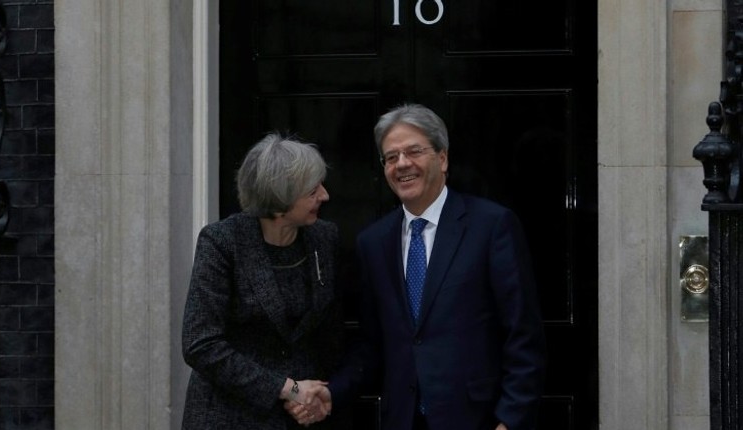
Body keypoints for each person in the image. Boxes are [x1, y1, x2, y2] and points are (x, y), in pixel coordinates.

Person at [290, 104, 547, 430]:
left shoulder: (492, 226)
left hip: (478, 420)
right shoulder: (374, 243)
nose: (402, 164)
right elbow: (372, 346)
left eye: (414, 151)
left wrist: (509, 422)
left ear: (442, 158)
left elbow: (523, 337)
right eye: (391, 157)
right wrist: (333, 394)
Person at [181, 132, 350, 429]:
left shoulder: (324, 237)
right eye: (312, 191)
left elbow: (329, 334)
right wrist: (289, 389)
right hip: (229, 416)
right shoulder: (222, 242)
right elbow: (200, 344)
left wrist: (321, 396)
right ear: (279, 201)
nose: (324, 196)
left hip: (301, 419)